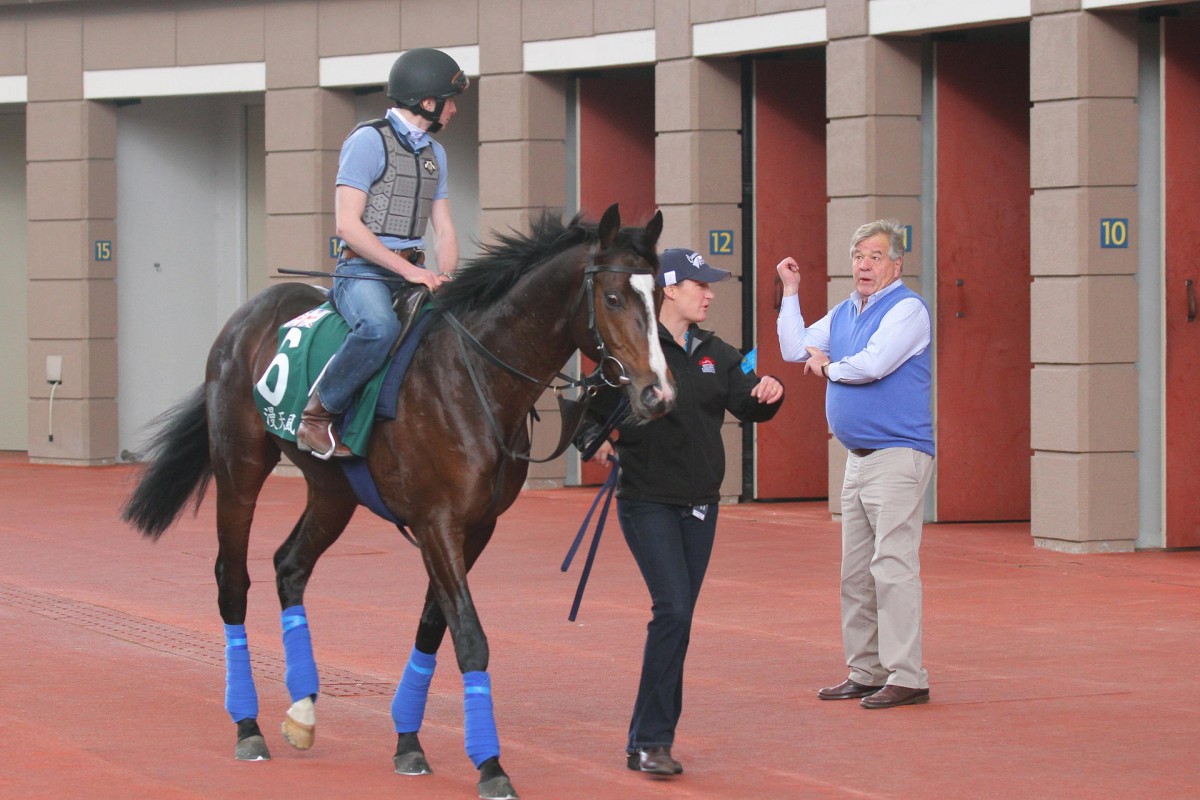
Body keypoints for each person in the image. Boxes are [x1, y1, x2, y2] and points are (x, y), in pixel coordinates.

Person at [578, 248, 785, 775]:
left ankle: (644, 740)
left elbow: (751, 404)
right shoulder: (634, 346)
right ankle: (652, 741)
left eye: (710, 286)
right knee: (672, 610)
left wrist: (770, 391)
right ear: (669, 288)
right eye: (700, 285)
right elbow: (588, 415)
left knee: (679, 620)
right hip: (646, 500)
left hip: (701, 503)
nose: (710, 293)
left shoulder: (719, 351)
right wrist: (595, 443)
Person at [775, 219, 934, 710]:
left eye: (876, 256)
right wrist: (791, 291)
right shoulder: (845, 311)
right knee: (856, 574)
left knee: (892, 567)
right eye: (859, 255)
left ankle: (908, 675)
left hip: (898, 454)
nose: (865, 264)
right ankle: (866, 670)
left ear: (896, 264)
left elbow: (871, 365)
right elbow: (790, 346)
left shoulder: (908, 309)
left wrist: (826, 366)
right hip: (858, 459)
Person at [297, 48, 469, 458]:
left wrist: (445, 274)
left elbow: (443, 227)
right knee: (379, 328)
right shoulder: (367, 141)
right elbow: (348, 226)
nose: (454, 110)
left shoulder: (436, 154)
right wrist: (407, 272)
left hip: (417, 269)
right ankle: (318, 415)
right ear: (427, 102)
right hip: (364, 273)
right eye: (450, 100)